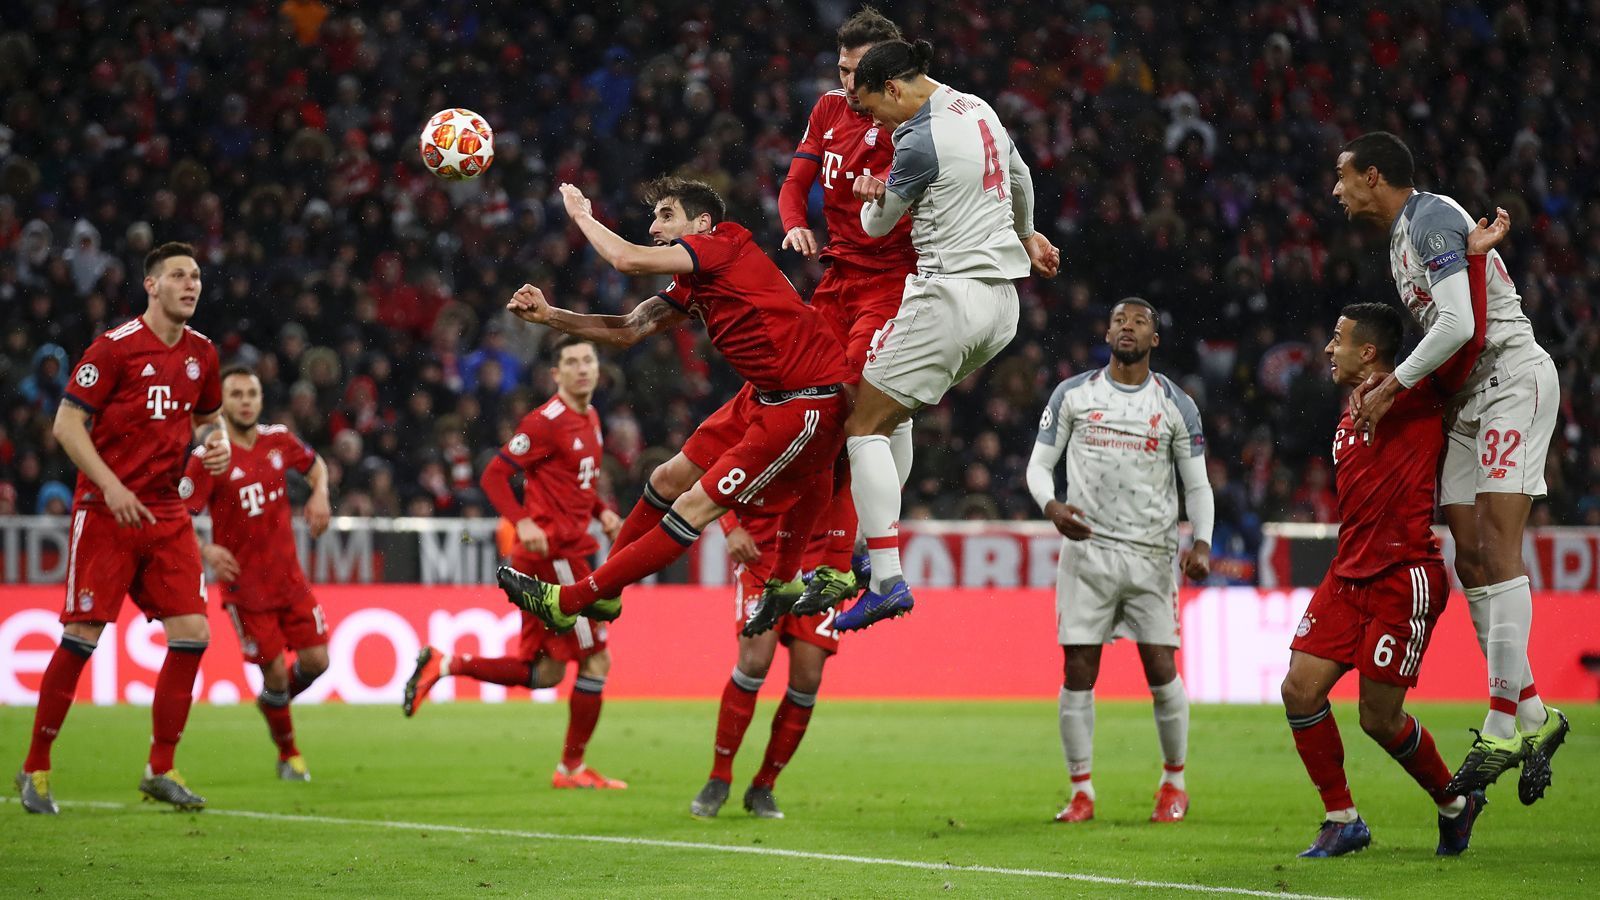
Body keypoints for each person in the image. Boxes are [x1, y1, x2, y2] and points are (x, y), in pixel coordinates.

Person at [496, 177, 850, 646]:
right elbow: (629, 328)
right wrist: (550, 316)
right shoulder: (695, 281)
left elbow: (625, 259)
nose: (654, 225)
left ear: (701, 223)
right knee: (666, 478)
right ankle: (606, 593)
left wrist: (581, 214)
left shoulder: (724, 243)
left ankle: (573, 600)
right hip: (763, 395)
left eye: (667, 215)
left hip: (807, 401)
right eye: (655, 215)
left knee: (692, 506)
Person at [1333, 132, 1568, 801]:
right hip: (1467, 399)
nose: (1336, 189)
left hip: (1508, 379)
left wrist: (1390, 386)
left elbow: (1461, 324)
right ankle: (1535, 717)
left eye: (1343, 176)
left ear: (1373, 175)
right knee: (1469, 556)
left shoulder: (1433, 216)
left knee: (1497, 548)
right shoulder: (1405, 237)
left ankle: (1499, 723)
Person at [832, 38, 1061, 631]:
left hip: (948, 296)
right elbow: (1020, 173)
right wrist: (1029, 234)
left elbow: (877, 227)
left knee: (861, 423)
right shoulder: (977, 107)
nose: (873, 123)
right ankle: (864, 551)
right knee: (894, 415)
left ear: (893, 88)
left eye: (873, 108)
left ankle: (884, 576)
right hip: (1002, 306)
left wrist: (869, 198)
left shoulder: (916, 140)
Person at [16, 241, 229, 814]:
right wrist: (110, 484)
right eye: (179, 275)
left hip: (165, 512)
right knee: (82, 636)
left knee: (194, 634)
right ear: (151, 285)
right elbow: (66, 424)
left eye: (197, 276)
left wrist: (216, 447)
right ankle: (35, 768)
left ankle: (161, 768)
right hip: (107, 511)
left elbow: (209, 421)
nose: (191, 285)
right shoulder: (113, 349)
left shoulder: (203, 355)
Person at [1281, 302, 1496, 858]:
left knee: (1379, 718)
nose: (1328, 349)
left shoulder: (1418, 395)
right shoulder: (1349, 410)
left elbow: (1464, 341)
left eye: (1337, 338)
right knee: (1298, 690)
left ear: (1369, 351)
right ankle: (1342, 818)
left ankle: (1455, 803)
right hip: (1346, 575)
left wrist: (1470, 258)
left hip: (1404, 576)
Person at [403, 335, 628, 790]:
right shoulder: (546, 422)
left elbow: (573, 484)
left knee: (544, 673)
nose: (583, 368)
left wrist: (600, 510)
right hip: (556, 558)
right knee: (596, 661)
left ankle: (446, 664)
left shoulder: (591, 417)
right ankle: (570, 769)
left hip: (557, 552)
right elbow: (493, 474)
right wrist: (522, 520)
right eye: (572, 362)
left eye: (589, 360)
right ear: (556, 374)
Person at [1025, 298, 1213, 825]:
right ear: (1107, 333)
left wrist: (1201, 543)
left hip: (1151, 556)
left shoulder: (1176, 404)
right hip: (1088, 554)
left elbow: (1197, 484)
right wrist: (1052, 506)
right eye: (1119, 320)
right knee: (1078, 670)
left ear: (1155, 339)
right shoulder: (1074, 395)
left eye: (1140, 321)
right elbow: (1039, 466)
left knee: (1160, 668)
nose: (1127, 326)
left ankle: (1174, 784)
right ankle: (1081, 792)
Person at [777, 6, 916, 618]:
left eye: (858, 73)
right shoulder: (828, 108)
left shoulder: (913, 123)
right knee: (808, 403)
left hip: (890, 283)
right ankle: (841, 552)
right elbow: (792, 184)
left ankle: (848, 556)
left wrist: (888, 196)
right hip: (836, 279)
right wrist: (794, 225)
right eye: (841, 69)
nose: (846, 83)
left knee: (860, 413)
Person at [182, 366, 332, 782]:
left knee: (318, 662)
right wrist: (206, 549)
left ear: (261, 399)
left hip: (290, 580)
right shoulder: (209, 456)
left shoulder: (278, 440)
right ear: (222, 403)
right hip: (246, 590)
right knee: (278, 673)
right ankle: (290, 755)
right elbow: (178, 515)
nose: (245, 401)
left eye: (252, 393)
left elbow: (316, 465)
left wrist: (319, 494)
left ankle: (273, 702)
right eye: (236, 394)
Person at [690, 509, 839, 820]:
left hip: (821, 561)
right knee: (754, 661)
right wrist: (730, 527)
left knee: (808, 679)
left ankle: (764, 785)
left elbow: (868, 478)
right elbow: (719, 466)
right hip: (763, 554)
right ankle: (719, 777)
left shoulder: (847, 457)